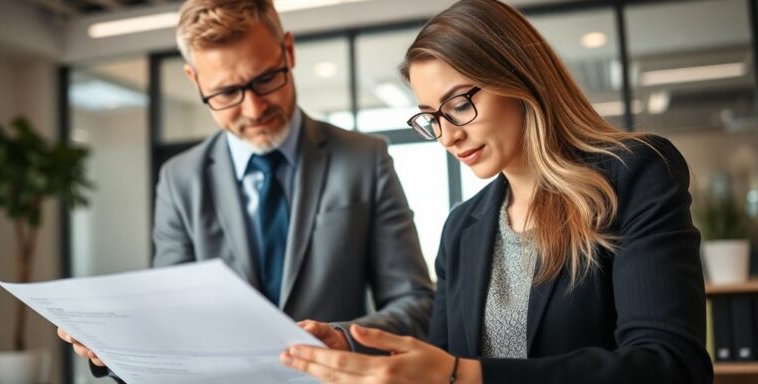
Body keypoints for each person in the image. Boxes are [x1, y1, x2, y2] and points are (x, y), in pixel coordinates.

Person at [280, 0, 713, 383]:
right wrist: (354, 350)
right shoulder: (461, 229)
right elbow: (440, 363)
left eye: (458, 105)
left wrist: (464, 375)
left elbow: (670, 365)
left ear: (518, 79)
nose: (447, 137)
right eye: (432, 117)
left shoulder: (633, 175)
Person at [57, 0, 434, 378]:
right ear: (195, 80)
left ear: (288, 51)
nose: (254, 110)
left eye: (266, 79)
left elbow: (416, 303)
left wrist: (344, 339)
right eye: (226, 93)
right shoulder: (180, 180)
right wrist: (114, 343)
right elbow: (171, 318)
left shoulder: (364, 159)